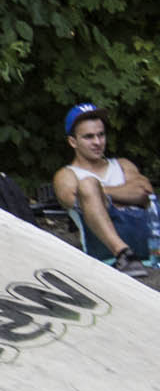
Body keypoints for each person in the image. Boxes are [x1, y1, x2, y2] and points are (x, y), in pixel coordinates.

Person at [52, 102, 152, 278]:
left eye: (101, 135)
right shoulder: (66, 175)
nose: (97, 142)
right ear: (73, 142)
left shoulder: (123, 164)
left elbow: (144, 192)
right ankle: (123, 253)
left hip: (143, 240)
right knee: (87, 184)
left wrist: (102, 195)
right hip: (104, 251)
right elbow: (74, 200)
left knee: (89, 187)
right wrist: (125, 195)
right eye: (89, 137)